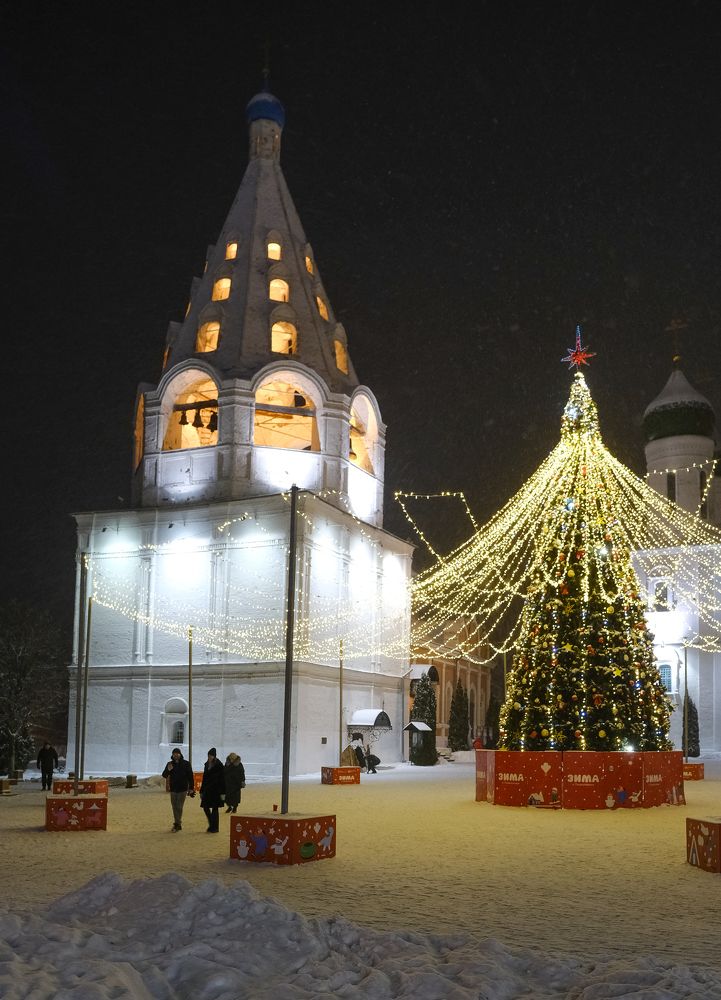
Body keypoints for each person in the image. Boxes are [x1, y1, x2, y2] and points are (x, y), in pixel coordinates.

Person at [161, 748, 195, 832]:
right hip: (173, 789)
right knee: (174, 807)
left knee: (179, 806)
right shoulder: (170, 764)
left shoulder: (186, 764)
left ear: (180, 754)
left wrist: (191, 788)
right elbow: (164, 775)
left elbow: (190, 776)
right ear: (172, 755)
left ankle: (177, 823)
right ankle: (178, 824)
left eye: (177, 753)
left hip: (183, 788)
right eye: (174, 754)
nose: (176, 755)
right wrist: (168, 770)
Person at [200, 747, 225, 832]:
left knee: (215, 809)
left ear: (214, 756)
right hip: (207, 789)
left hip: (216, 790)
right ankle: (212, 824)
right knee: (205, 807)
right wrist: (201, 790)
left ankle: (215, 827)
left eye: (211, 756)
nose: (210, 757)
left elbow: (222, 779)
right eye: (209, 755)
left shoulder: (219, 765)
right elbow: (204, 778)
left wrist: (223, 792)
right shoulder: (206, 764)